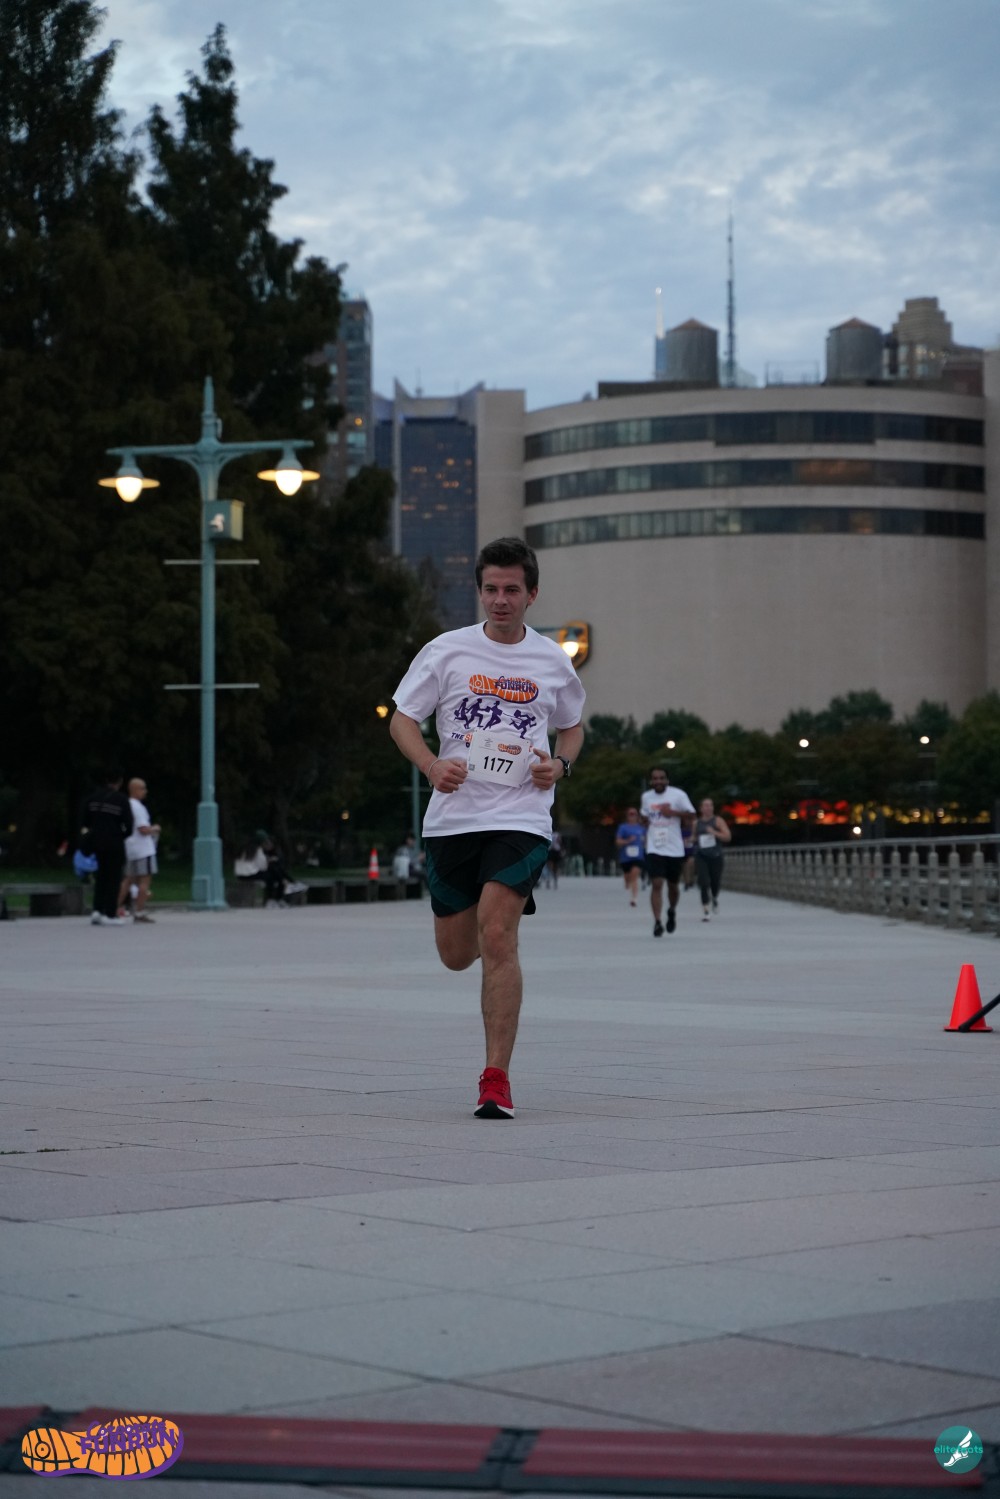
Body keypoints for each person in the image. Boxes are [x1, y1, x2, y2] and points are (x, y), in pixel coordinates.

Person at [390, 536, 585, 1119]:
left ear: (532, 595)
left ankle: (495, 1079)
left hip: (521, 815)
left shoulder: (552, 660)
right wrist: (431, 765)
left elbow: (572, 726)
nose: (501, 600)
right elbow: (402, 720)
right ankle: (479, 926)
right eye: (491, 589)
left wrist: (561, 765)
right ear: (479, 591)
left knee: (498, 935)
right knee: (456, 954)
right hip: (453, 819)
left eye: (512, 590)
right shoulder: (446, 651)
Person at [640, 765, 695, 937]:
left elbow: (692, 815)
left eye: (661, 778)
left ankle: (671, 910)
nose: (658, 781)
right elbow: (644, 816)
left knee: (673, 886)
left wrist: (672, 812)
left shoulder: (678, 795)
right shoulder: (646, 797)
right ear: (651, 781)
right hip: (654, 847)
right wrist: (644, 821)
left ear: (667, 780)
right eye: (655, 778)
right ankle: (657, 922)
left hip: (674, 848)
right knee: (656, 883)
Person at [80, 774, 133, 926]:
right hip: (114, 842)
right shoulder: (121, 799)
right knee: (114, 878)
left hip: (96, 842)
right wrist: (120, 835)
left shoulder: (92, 798)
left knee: (101, 876)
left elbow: (85, 820)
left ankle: (97, 910)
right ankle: (110, 913)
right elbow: (129, 825)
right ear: (120, 782)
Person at [117, 778, 161, 923]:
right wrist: (155, 829)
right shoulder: (138, 807)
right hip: (144, 850)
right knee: (144, 881)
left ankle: (113, 908)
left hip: (131, 848)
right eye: (142, 788)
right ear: (134, 790)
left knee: (127, 880)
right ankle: (139, 912)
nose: (145, 791)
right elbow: (143, 829)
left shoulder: (126, 805)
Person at [694, 797, 732, 919]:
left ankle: (714, 897)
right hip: (701, 855)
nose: (709, 808)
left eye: (710, 805)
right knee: (703, 882)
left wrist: (714, 833)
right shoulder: (696, 823)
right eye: (706, 805)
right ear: (701, 808)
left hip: (716, 855)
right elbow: (694, 837)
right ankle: (706, 910)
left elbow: (728, 837)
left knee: (715, 881)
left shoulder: (718, 821)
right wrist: (688, 841)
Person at [615, 806, 645, 907]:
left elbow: (646, 840)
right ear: (627, 816)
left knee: (634, 876)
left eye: (634, 814)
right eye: (630, 814)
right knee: (628, 877)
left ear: (637, 816)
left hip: (638, 857)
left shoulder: (641, 828)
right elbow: (618, 841)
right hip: (626, 857)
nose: (632, 816)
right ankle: (627, 882)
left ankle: (634, 898)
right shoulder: (623, 827)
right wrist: (628, 841)